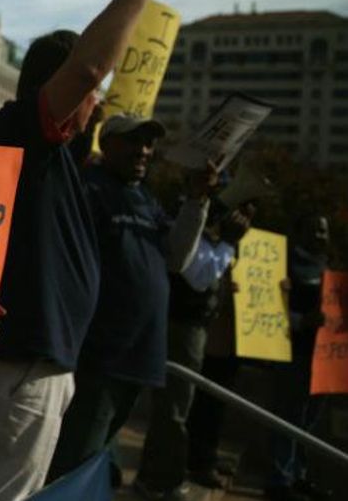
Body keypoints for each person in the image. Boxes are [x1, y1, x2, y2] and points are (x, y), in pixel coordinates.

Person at [0, 0, 181, 500]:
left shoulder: (56, 158)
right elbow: (88, 69)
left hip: (38, 368)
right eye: (91, 93)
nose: (97, 101)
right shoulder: (24, 134)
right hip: (20, 371)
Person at [45, 114, 214, 484]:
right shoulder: (88, 189)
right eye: (133, 141)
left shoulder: (145, 198)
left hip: (138, 357)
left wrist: (197, 201)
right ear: (106, 145)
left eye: (149, 144)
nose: (143, 151)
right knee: (74, 463)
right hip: (99, 356)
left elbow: (176, 258)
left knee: (92, 462)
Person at [135, 195, 258, 500]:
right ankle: (161, 480)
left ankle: (154, 475)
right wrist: (228, 242)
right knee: (174, 409)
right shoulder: (189, 231)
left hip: (193, 328)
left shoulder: (206, 235)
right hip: (182, 328)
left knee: (176, 408)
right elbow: (200, 277)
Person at [263, 214, 333, 501]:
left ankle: (298, 475)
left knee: (309, 421)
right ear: (301, 231)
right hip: (293, 351)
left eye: (324, 231)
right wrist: (303, 321)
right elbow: (269, 308)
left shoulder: (327, 265)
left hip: (324, 358)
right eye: (315, 229)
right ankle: (279, 479)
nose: (320, 236)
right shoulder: (285, 263)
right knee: (288, 416)